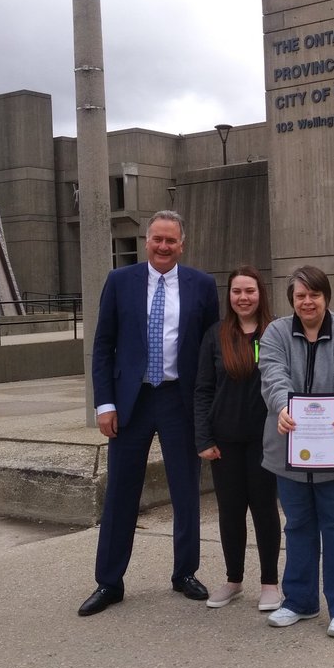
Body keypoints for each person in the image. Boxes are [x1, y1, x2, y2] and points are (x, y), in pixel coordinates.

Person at [79, 210, 220, 616]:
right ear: (146, 241)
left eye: (170, 241)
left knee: (186, 492)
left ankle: (184, 572)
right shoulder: (120, 282)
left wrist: (207, 409)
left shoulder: (202, 285)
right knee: (121, 492)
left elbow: (211, 350)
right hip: (131, 404)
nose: (163, 246)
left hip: (180, 400)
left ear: (182, 243)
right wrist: (104, 403)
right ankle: (109, 582)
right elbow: (103, 346)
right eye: (157, 239)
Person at [258, 266, 334, 638]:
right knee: (300, 527)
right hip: (289, 452)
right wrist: (282, 406)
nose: (308, 302)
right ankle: (299, 602)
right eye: (300, 296)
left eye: (314, 295)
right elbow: (271, 372)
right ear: (292, 300)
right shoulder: (275, 332)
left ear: (326, 297)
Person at [193, 266, 283, 611]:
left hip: (266, 440)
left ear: (260, 294)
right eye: (236, 292)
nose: (243, 298)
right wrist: (203, 438)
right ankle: (233, 580)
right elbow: (202, 390)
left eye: (249, 291)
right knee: (230, 512)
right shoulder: (215, 335)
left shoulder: (275, 333)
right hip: (224, 442)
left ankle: (270, 584)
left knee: (264, 510)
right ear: (228, 296)